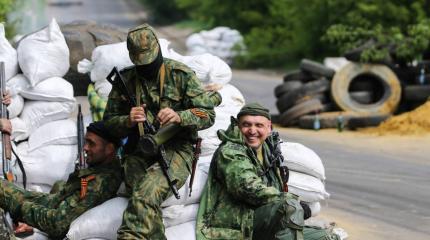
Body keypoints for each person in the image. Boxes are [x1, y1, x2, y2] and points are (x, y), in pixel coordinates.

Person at [103, 23, 216, 239]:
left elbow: (208, 115)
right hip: (141, 149)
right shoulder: (125, 80)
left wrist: (180, 116)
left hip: (177, 148)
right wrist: (127, 120)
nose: (146, 66)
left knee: (146, 193)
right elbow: (108, 123)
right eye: (141, 62)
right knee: (140, 194)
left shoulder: (180, 75)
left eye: (150, 60)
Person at [196, 103, 340, 240]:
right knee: (288, 205)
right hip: (233, 226)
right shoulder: (230, 152)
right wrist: (292, 200)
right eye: (246, 125)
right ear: (238, 127)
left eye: (259, 125)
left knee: (328, 236)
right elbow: (247, 187)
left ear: (269, 128)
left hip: (259, 220)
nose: (252, 131)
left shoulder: (268, 150)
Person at [0, 121, 123, 239]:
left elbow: (57, 224)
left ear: (109, 149)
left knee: (5, 193)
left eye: (91, 143)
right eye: (86, 142)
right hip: (53, 204)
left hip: (53, 220)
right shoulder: (104, 169)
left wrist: (19, 207)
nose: (85, 148)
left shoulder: (97, 184)